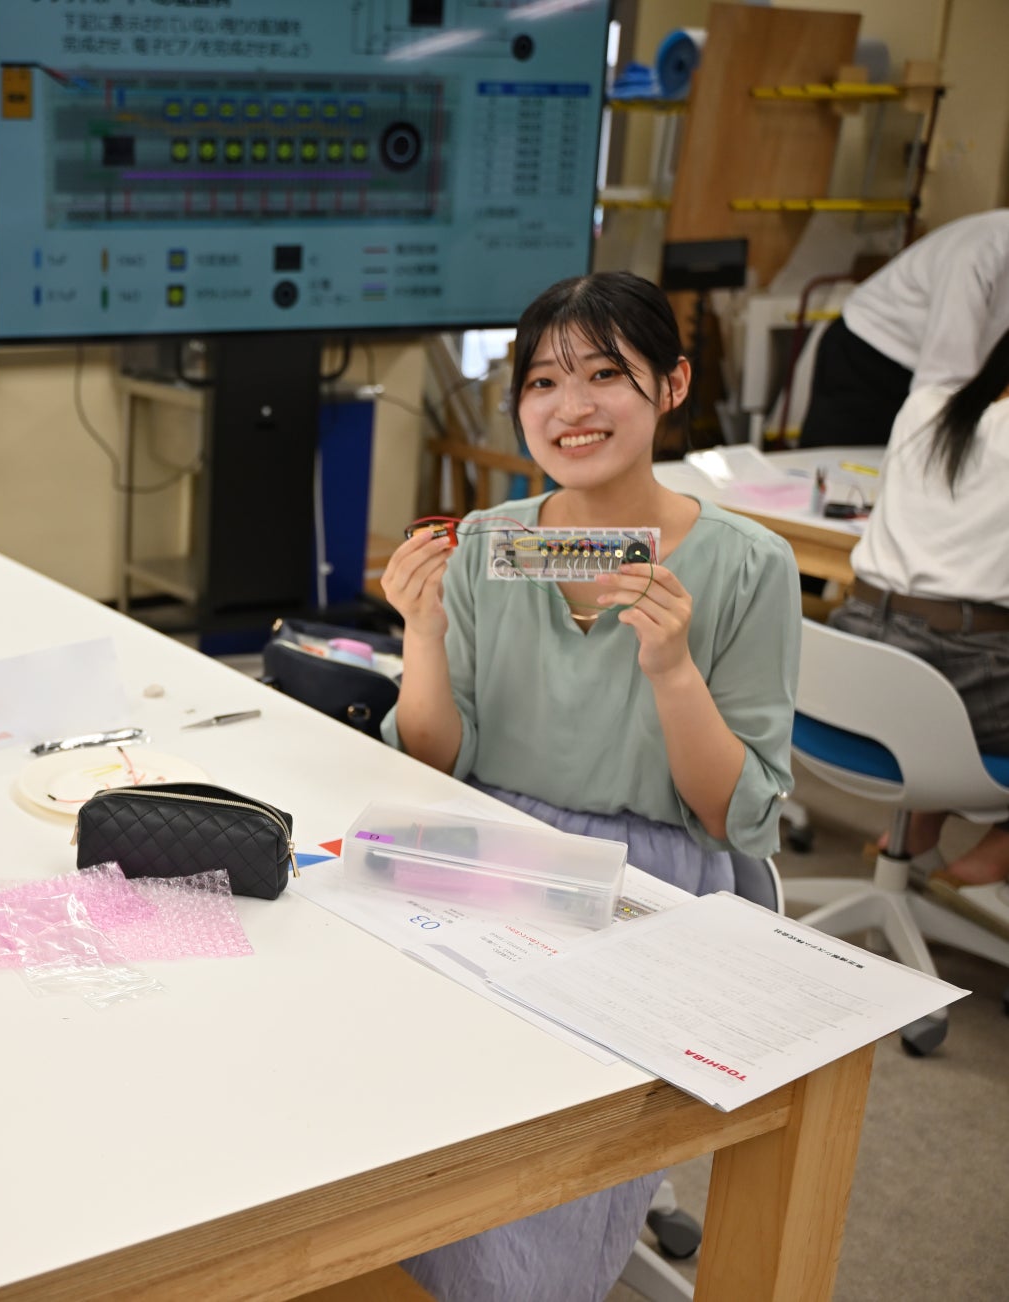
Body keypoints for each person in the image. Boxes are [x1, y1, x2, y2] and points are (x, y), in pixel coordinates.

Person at [379, 271, 801, 1302]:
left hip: (648, 875)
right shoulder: (491, 542)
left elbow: (733, 814)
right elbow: (433, 761)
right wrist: (423, 636)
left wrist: (672, 670)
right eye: (542, 382)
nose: (571, 407)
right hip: (486, 850)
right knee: (379, 1067)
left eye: (606, 374)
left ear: (673, 386)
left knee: (532, 1132)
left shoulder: (751, 565)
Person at [829, 326, 1009, 939]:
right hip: (956, 674)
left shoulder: (924, 405)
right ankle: (999, 845)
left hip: (856, 655)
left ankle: (923, 818)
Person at [802, 208, 1009, 448]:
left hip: (943, 374)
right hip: (870, 357)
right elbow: (939, 387)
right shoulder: (979, 255)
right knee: (841, 463)